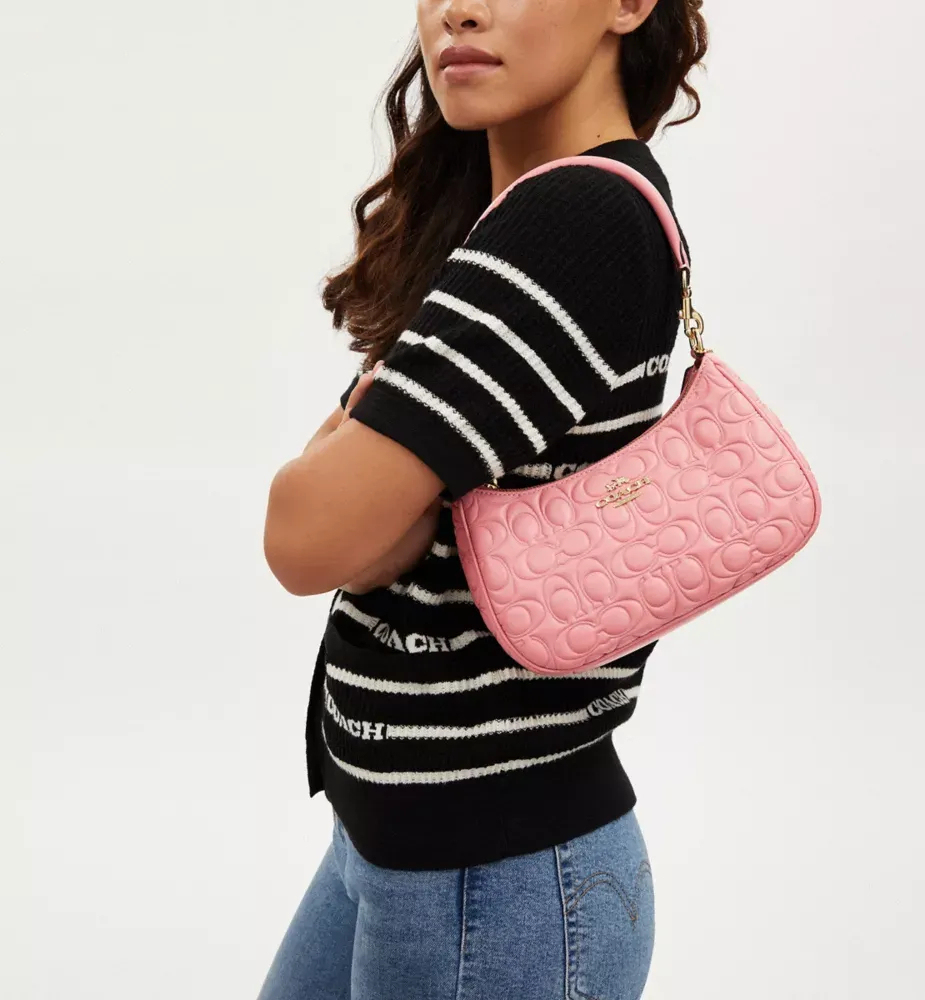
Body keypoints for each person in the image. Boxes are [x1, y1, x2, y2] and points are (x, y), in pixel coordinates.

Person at [259, 1, 708, 996]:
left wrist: (366, 449)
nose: (459, 7)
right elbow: (358, 540)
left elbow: (304, 536)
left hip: (494, 883)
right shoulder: (510, 221)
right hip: (410, 851)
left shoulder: (574, 223)